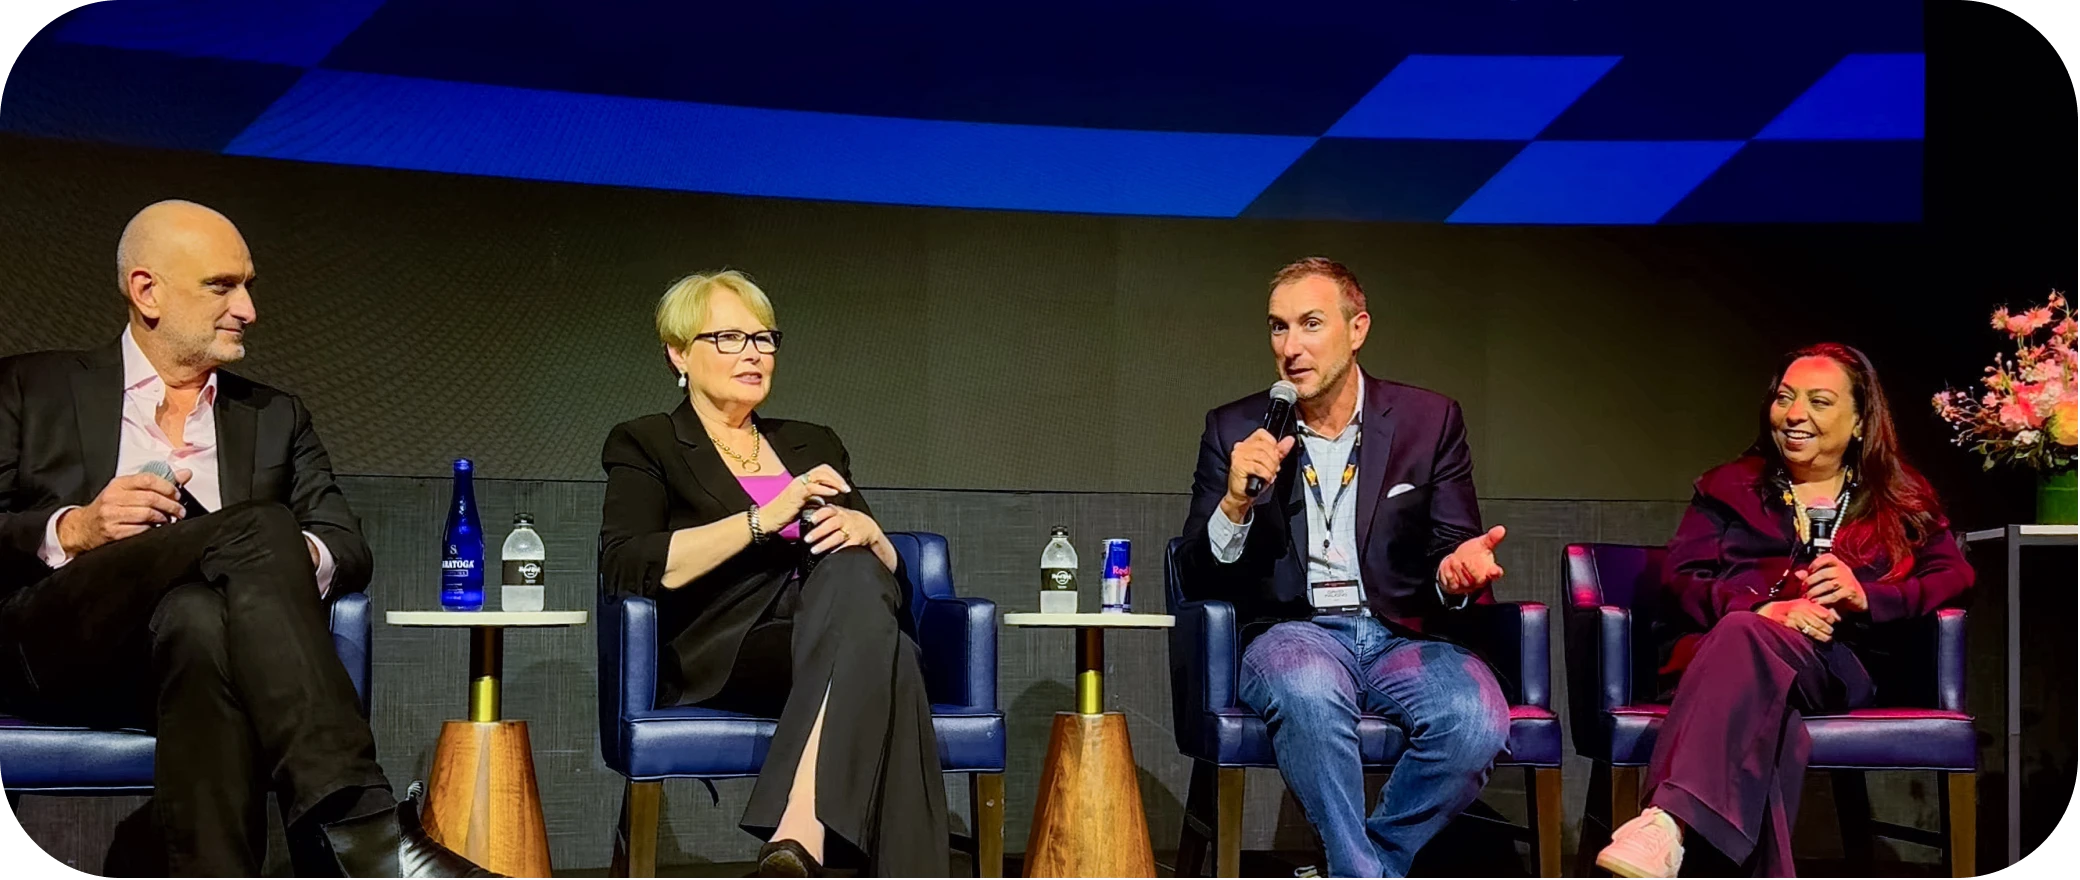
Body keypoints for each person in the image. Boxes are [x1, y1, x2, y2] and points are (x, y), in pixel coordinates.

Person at [0, 201, 497, 879]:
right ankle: (365, 837)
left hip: (193, 657)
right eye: (222, 286)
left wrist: (270, 565)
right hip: (57, 648)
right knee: (259, 523)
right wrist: (75, 528)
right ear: (147, 291)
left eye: (249, 286)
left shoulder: (273, 416)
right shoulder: (30, 387)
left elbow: (347, 546)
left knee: (201, 616)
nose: (248, 309)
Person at [597, 270, 946, 878]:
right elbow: (627, 564)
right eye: (729, 338)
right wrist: (763, 519)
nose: (754, 353)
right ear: (679, 353)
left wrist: (880, 540)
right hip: (731, 647)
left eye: (764, 338)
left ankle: (798, 842)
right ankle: (803, 832)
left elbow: (878, 575)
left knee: (862, 585)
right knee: (893, 654)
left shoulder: (813, 442)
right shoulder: (647, 442)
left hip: (840, 621)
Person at [1177, 257, 1514, 879]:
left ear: (1357, 329)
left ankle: (1360, 868)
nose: (1291, 347)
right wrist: (1235, 501)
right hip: (1293, 631)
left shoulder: (1428, 420)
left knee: (1473, 721)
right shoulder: (1235, 429)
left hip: (1401, 634)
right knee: (1306, 688)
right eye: (1278, 328)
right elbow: (1195, 572)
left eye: (1310, 324)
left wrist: (1455, 574)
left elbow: (1452, 544)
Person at [1594, 343, 1975, 879]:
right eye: (1784, 398)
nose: (1795, 415)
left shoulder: (1898, 495)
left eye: (1819, 402)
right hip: (1724, 660)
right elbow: (1680, 579)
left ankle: (1665, 820)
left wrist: (1870, 597)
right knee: (1771, 709)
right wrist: (1764, 609)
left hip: (1836, 664)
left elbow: (1954, 575)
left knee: (1746, 640)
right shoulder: (1729, 487)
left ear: (1861, 421)